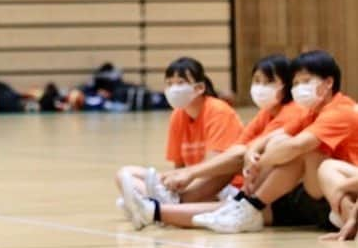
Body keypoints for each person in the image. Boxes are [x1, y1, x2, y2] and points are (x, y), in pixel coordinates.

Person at [121, 54, 304, 229]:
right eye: (257, 81)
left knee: (234, 169)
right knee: (125, 173)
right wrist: (179, 177)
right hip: (247, 186)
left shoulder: (290, 112)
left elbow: (234, 158)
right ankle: (157, 207)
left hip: (258, 190)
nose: (260, 87)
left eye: (269, 82)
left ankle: (158, 206)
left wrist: (189, 174)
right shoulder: (264, 114)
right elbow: (238, 148)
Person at [193, 50, 358, 234]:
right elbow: (272, 138)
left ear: (328, 83)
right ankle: (245, 206)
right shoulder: (311, 111)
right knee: (281, 142)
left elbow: (297, 146)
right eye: (295, 83)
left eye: (305, 81)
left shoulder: (340, 111)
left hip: (346, 184)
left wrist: (259, 164)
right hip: (325, 188)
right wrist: (252, 153)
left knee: (303, 149)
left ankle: (248, 206)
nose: (298, 88)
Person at [116, 57, 243, 217]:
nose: (174, 88)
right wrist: (174, 183)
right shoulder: (178, 115)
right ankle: (158, 203)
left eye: (181, 82)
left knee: (214, 174)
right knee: (125, 174)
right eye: (169, 84)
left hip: (224, 186)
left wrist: (186, 177)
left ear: (199, 88)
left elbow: (215, 167)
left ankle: (150, 203)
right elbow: (179, 167)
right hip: (190, 183)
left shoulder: (218, 111)